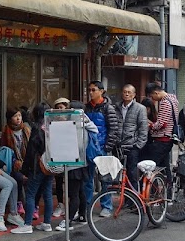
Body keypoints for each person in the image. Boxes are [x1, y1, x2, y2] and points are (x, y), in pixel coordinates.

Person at [10, 104, 54, 234]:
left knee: (30, 194)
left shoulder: (36, 128)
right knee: (47, 194)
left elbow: (31, 150)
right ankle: (47, 222)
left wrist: (25, 168)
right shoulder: (52, 126)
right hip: (50, 165)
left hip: (37, 166)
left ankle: (27, 224)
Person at [57, 98, 98, 232]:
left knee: (73, 193)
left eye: (69, 108)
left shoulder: (75, 125)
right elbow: (95, 130)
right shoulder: (85, 122)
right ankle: (82, 216)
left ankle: (68, 221)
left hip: (74, 163)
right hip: (83, 162)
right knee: (80, 191)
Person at [84, 81, 120, 218]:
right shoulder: (86, 108)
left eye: (93, 90)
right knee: (87, 179)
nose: (91, 92)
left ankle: (107, 206)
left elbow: (113, 129)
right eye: (89, 90)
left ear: (101, 91)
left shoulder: (108, 108)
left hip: (102, 148)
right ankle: (87, 205)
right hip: (88, 147)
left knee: (105, 179)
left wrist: (107, 147)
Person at [141, 82, 181, 171]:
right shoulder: (173, 99)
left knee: (151, 164)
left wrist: (150, 125)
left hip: (162, 139)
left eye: (152, 96)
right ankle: (168, 183)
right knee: (165, 165)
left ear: (156, 93)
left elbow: (162, 124)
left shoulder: (165, 102)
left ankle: (151, 184)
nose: (153, 99)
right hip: (168, 138)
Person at [0, 107, 32, 216]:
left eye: (19, 115)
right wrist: (15, 161)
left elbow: (31, 148)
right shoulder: (6, 131)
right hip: (13, 163)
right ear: (9, 119)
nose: (18, 118)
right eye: (15, 116)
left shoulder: (26, 129)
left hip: (27, 161)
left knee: (32, 176)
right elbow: (4, 151)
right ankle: (18, 203)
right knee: (18, 177)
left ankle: (32, 205)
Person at [117, 84, 149, 189]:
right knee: (119, 174)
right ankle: (123, 197)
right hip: (118, 147)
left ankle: (133, 200)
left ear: (134, 94)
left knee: (132, 174)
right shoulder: (116, 107)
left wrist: (138, 145)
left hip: (132, 146)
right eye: (125, 92)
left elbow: (143, 128)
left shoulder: (140, 108)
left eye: (129, 92)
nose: (126, 94)